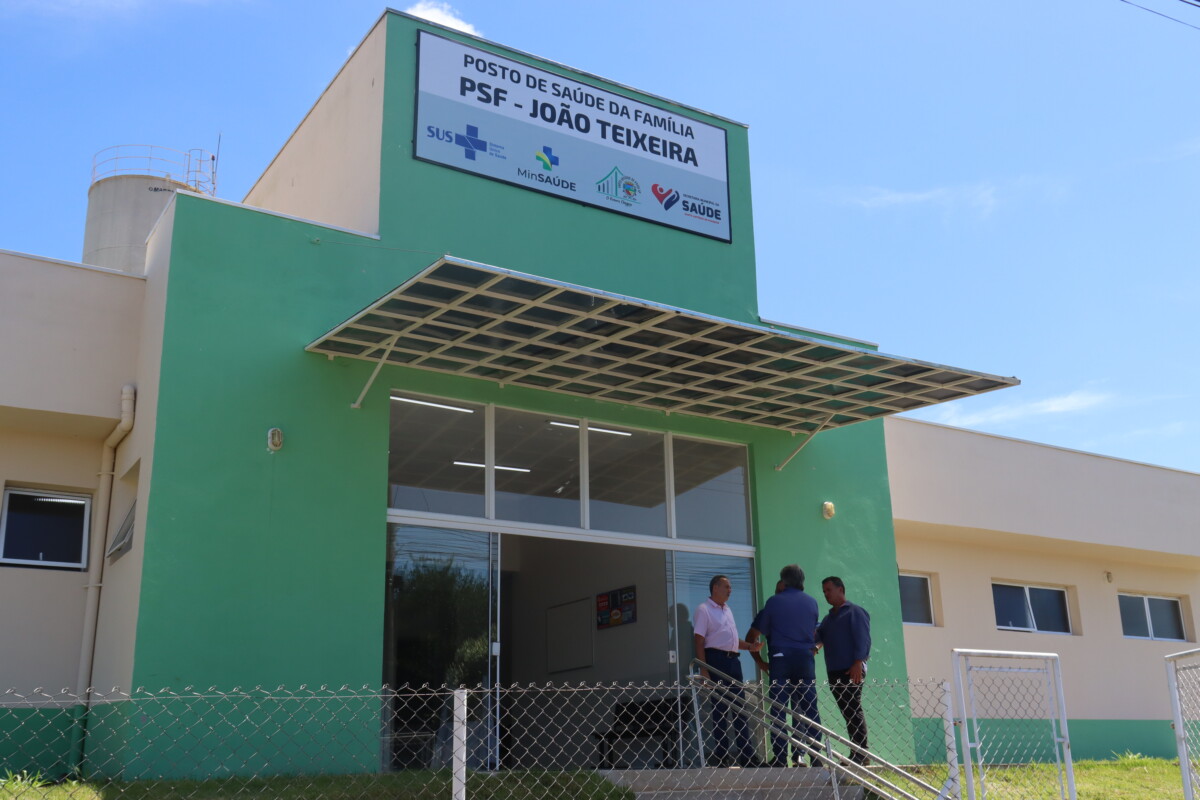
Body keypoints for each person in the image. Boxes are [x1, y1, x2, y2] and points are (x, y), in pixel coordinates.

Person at [746, 565, 821, 767]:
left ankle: (780, 759)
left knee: (779, 710)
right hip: (805, 659)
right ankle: (817, 758)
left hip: (781, 658)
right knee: (809, 709)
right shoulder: (812, 602)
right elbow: (814, 633)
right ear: (802, 581)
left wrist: (760, 662)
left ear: (784, 581)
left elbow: (753, 635)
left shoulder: (774, 602)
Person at [694, 574, 762, 767]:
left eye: (730, 587)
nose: (730, 590)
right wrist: (704, 669)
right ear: (715, 588)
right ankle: (722, 756)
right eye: (726, 586)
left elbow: (731, 640)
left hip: (733, 661)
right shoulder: (704, 609)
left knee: (740, 708)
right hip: (716, 660)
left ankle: (747, 756)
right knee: (720, 709)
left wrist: (750, 647)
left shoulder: (727, 610)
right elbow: (698, 640)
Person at [815, 576, 871, 765]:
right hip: (834, 671)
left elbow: (863, 639)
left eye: (829, 590)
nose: (826, 594)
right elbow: (818, 637)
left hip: (851, 669)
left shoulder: (855, 612)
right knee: (847, 712)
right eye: (824, 591)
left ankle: (861, 754)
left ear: (840, 589)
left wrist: (858, 662)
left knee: (853, 709)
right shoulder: (828, 618)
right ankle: (856, 753)